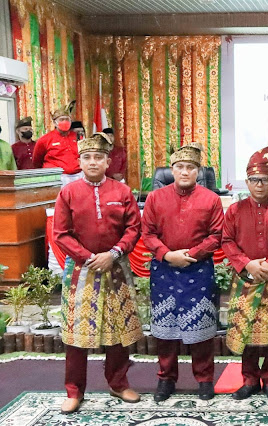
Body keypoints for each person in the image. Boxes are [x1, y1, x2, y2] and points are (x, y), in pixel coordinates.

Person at [53, 132, 143, 414]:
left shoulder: (122, 192)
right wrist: (90, 257)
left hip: (116, 267)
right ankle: (74, 391)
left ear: (107, 162)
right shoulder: (68, 192)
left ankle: (118, 383)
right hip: (82, 271)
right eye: (87, 157)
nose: (93, 162)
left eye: (98, 158)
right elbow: (61, 234)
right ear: (80, 162)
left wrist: (114, 253)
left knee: (117, 329)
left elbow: (133, 229)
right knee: (76, 334)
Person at [141, 143, 224, 402]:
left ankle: (205, 379)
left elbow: (216, 236)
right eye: (180, 167)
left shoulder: (211, 199)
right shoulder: (155, 198)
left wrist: (192, 255)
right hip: (165, 269)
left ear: (199, 171)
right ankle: (166, 379)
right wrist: (168, 255)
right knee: (165, 332)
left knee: (201, 328)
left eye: (191, 167)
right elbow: (148, 234)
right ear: (172, 169)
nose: (185, 172)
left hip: (198, 270)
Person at [222, 146, 268, 401]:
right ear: (247, 181)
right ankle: (250, 380)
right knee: (247, 332)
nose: (259, 184)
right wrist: (248, 264)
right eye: (254, 180)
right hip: (245, 280)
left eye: (264, 179)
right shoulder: (235, 210)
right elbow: (227, 241)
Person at [33, 101, 82, 186]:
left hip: (77, 176)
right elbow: (37, 161)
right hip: (56, 178)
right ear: (54, 122)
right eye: (61, 120)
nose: (65, 122)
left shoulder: (78, 137)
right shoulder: (45, 140)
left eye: (67, 119)